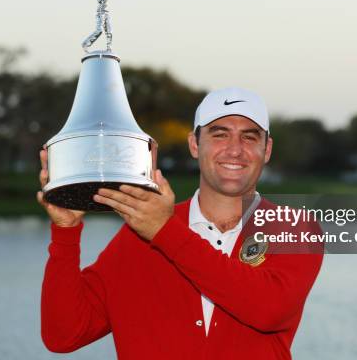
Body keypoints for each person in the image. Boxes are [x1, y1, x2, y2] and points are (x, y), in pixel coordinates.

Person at [38, 87, 323, 359]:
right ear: (194, 145)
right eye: (219, 135)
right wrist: (66, 232)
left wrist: (165, 231)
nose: (235, 149)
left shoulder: (293, 227)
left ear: (267, 149)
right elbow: (64, 335)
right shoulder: (139, 234)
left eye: (249, 137)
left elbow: (268, 309)